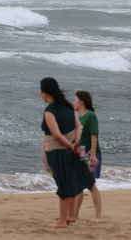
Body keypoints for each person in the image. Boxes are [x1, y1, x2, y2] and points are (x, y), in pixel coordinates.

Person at [39, 77, 96, 228]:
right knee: (70, 182)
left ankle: (62, 221)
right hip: (73, 149)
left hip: (57, 151)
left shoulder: (49, 110)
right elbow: (78, 126)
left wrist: (70, 146)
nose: (39, 93)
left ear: (45, 92)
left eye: (40, 90)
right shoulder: (69, 107)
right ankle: (70, 216)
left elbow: (57, 135)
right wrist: (75, 143)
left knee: (63, 183)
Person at [70, 91, 103, 223]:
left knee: (91, 185)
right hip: (82, 153)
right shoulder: (80, 118)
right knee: (79, 185)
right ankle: (75, 215)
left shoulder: (90, 116)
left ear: (81, 101)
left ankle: (98, 216)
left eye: (75, 100)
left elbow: (93, 136)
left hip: (91, 153)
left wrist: (93, 155)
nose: (73, 102)